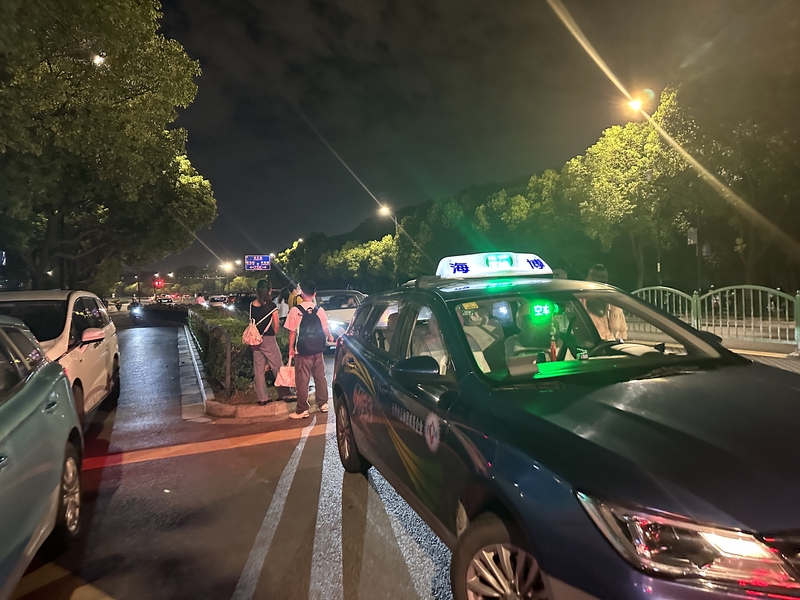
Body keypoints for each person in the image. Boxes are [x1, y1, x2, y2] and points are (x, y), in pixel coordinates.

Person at [285, 280, 334, 419]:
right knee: (320, 377)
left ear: (301, 293)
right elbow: (325, 329)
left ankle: (302, 410)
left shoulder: (295, 310)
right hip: (318, 350)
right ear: (314, 294)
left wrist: (290, 349)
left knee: (302, 380)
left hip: (302, 352)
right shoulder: (320, 310)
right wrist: (330, 336)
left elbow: (292, 332)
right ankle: (323, 404)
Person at [250, 280, 293, 405]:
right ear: (269, 291)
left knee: (258, 369)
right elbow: (276, 325)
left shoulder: (252, 304)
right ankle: (285, 394)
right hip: (268, 339)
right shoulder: (271, 306)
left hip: (255, 340)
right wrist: (273, 334)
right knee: (277, 365)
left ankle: (262, 398)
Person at [585, 264, 628, 340]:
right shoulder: (612, 299)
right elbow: (618, 327)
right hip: (608, 345)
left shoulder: (581, 298)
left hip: (590, 345)